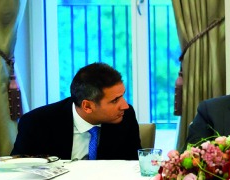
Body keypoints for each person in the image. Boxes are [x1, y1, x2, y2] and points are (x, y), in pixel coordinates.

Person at [12, 62, 141, 160]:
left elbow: (134, 167)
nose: (125, 105)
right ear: (87, 106)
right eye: (115, 100)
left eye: (122, 96)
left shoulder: (125, 117)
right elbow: (18, 170)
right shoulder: (36, 123)